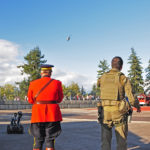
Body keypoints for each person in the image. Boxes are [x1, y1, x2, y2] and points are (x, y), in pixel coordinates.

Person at [97, 56, 141, 150]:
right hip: (119, 112)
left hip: (104, 112)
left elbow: (100, 88)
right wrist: (137, 106)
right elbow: (132, 99)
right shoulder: (122, 78)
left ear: (111, 65)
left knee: (105, 141)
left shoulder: (102, 77)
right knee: (121, 141)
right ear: (121, 67)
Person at [28, 64, 63, 150]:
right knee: (50, 140)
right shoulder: (57, 83)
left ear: (41, 73)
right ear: (50, 73)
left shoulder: (33, 83)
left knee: (38, 139)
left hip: (38, 114)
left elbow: (30, 100)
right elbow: (59, 99)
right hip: (52, 113)